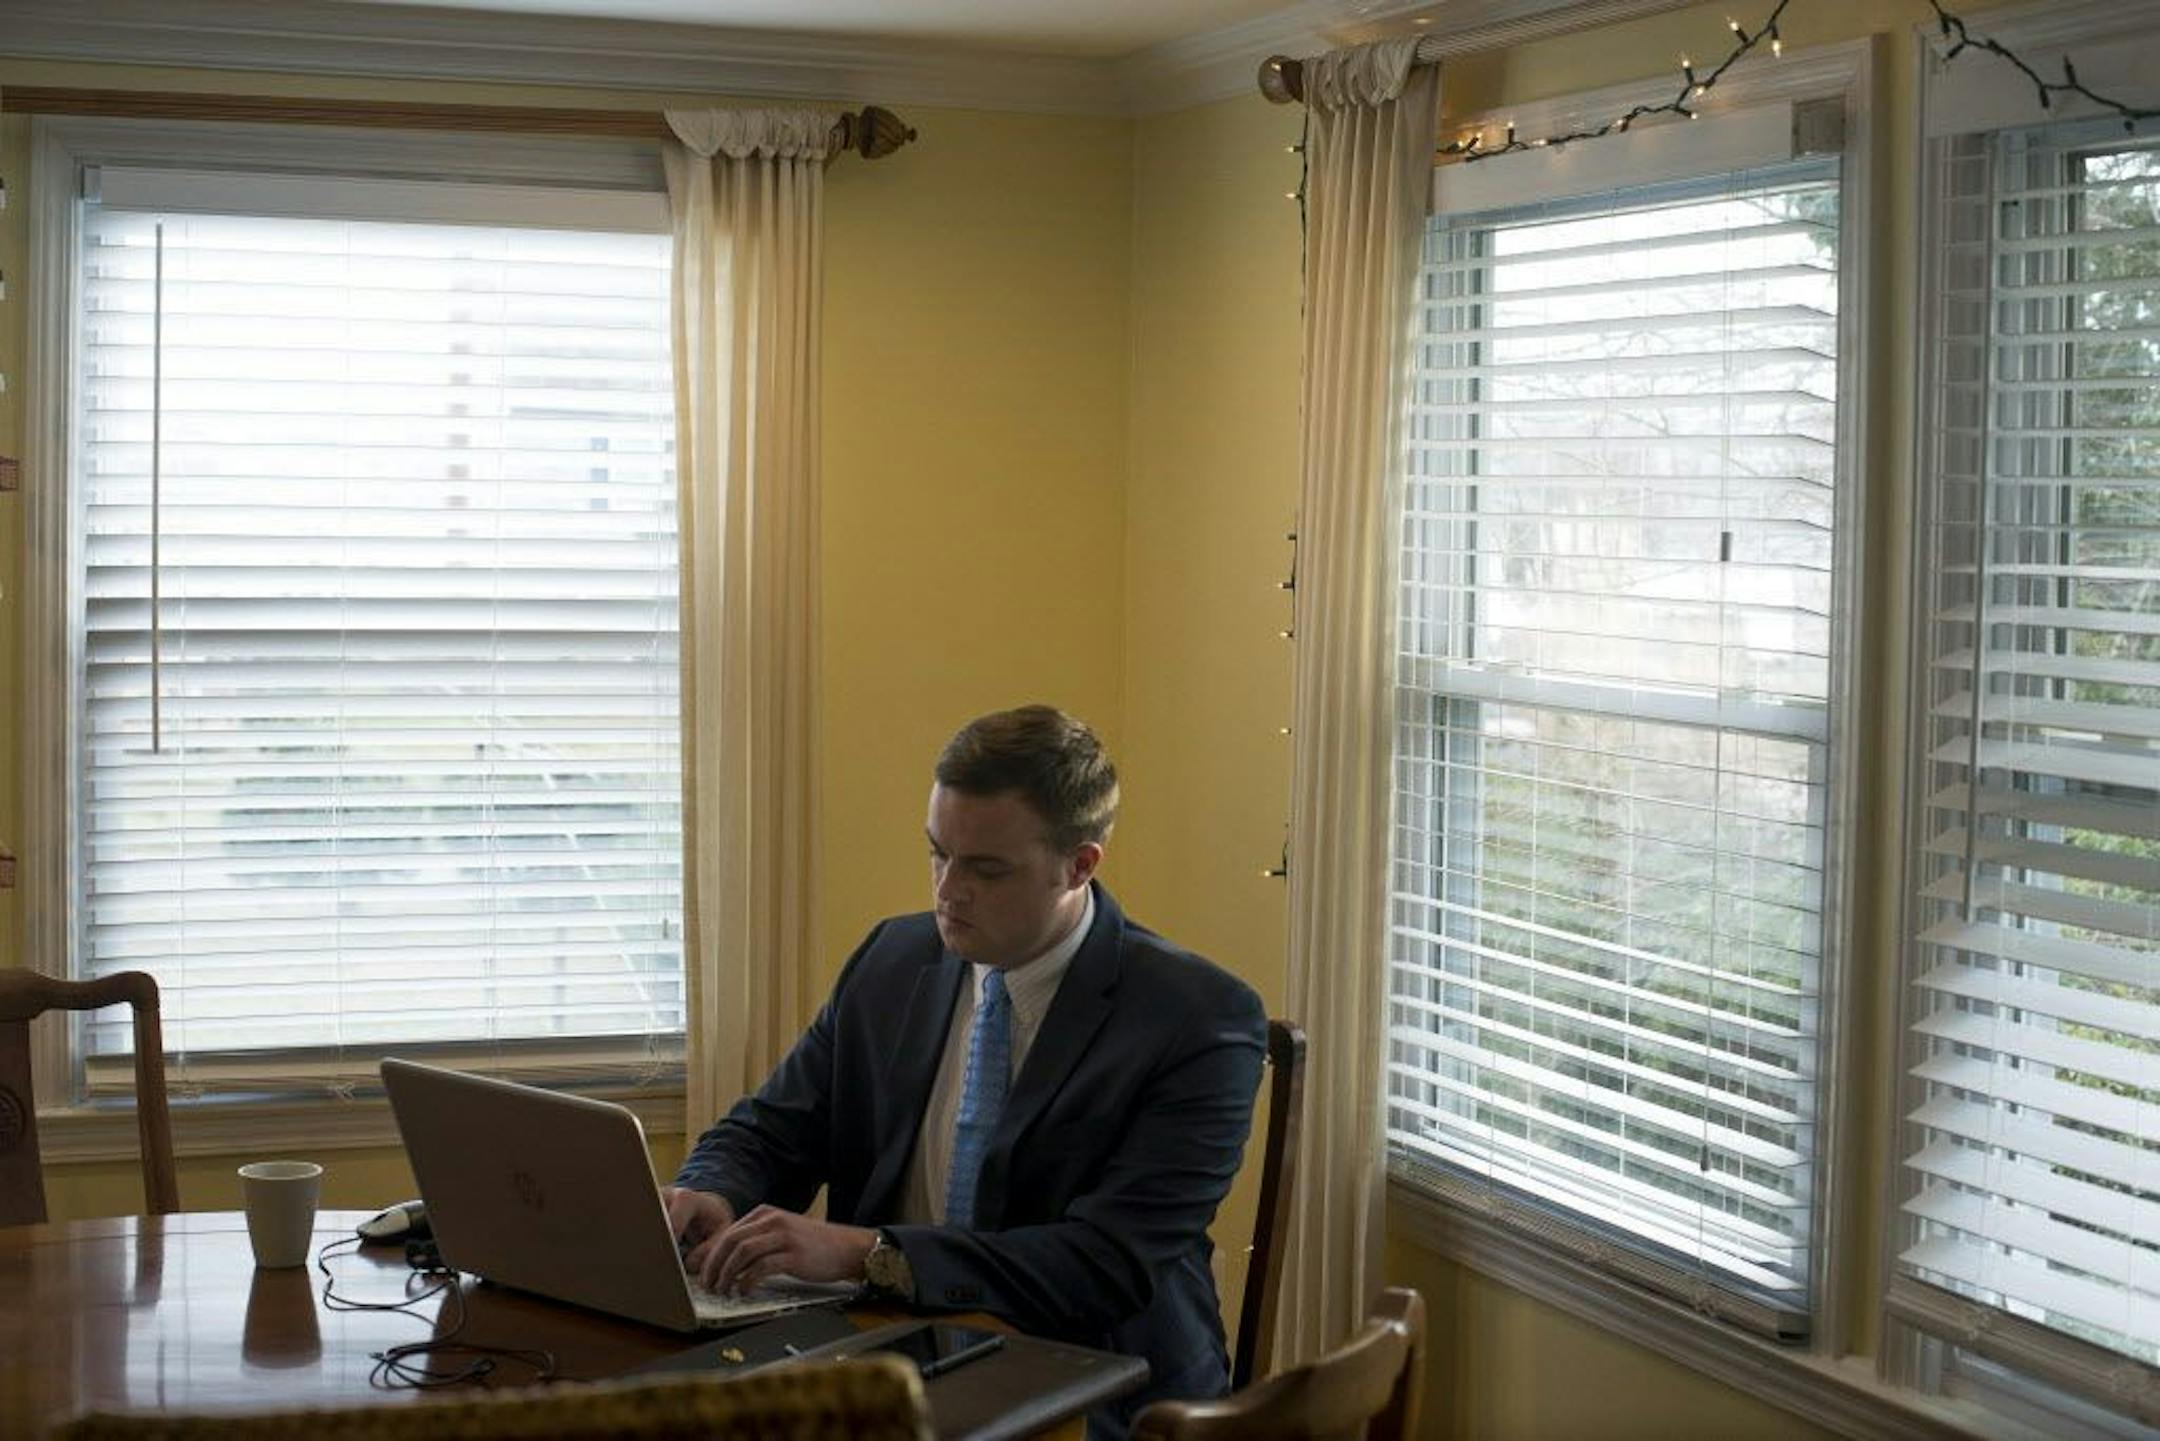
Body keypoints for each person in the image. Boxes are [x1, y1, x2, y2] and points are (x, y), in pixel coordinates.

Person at [664, 704, 1268, 1437]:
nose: (948, 889)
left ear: (1079, 865)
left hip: (1099, 1388)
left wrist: (870, 1254)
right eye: (937, 852)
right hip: (887, 1357)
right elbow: (773, 1127)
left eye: (985, 868)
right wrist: (714, 1189)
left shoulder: (1197, 1016)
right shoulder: (892, 959)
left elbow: (1105, 1262)